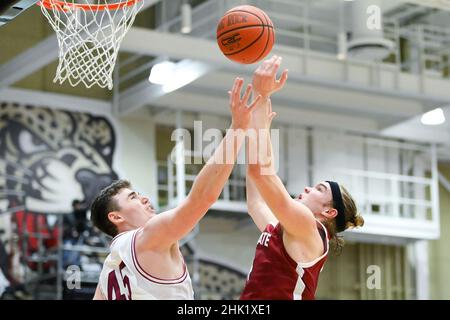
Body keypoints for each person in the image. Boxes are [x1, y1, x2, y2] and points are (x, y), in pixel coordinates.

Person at [90, 78, 261, 300]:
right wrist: (237, 129)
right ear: (115, 216)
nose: (144, 199)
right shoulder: (149, 237)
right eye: (132, 197)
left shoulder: (109, 269)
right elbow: (202, 197)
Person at [240, 55, 364, 300]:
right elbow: (257, 200)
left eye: (319, 189)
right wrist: (258, 124)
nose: (307, 188)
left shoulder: (308, 228)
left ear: (329, 212)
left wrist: (262, 97)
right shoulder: (286, 227)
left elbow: (261, 173)